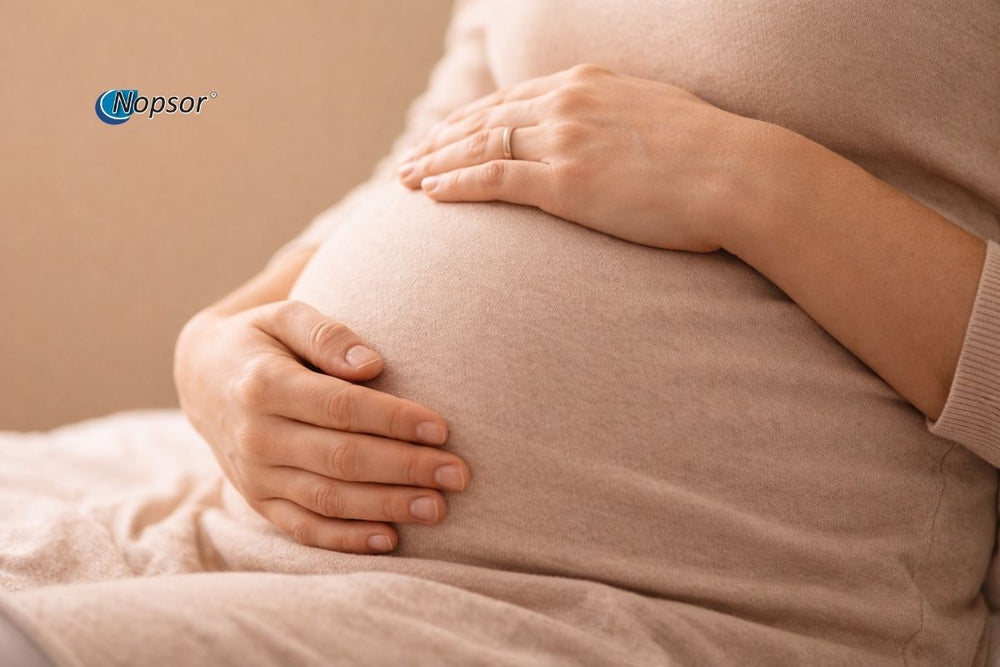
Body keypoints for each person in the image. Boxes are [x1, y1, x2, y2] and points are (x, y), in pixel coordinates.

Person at [3, 1, 998, 665]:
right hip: (236, 535)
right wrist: (216, 346)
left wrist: (753, 184)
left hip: (662, 609)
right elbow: (448, 137)